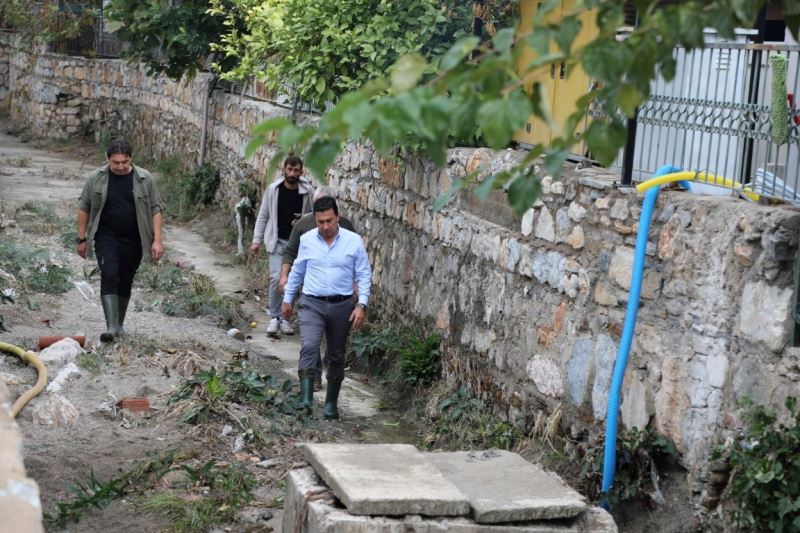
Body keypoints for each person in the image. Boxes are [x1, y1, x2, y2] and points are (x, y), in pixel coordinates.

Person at [282, 197, 371, 420]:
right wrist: (288, 299)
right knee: (309, 345)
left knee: (336, 353)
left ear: (337, 217)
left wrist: (361, 305)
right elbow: (298, 271)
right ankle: (306, 399)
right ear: (315, 220)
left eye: (329, 221)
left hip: (342, 305)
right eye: (320, 222)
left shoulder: (353, 241)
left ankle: (331, 404)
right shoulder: (307, 240)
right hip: (312, 302)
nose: (325, 226)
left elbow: (363, 274)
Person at [76, 139, 164, 342]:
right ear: (107, 159)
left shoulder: (145, 179)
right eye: (116, 162)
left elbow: (156, 209)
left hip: (135, 238)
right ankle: (111, 327)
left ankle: (119, 325)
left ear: (131, 158)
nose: (121, 166)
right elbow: (84, 207)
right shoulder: (96, 179)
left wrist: (157, 240)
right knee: (109, 274)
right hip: (106, 236)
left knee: (125, 278)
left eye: (125, 162)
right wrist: (81, 238)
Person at [278, 186, 356, 391]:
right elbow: (290, 252)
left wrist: (355, 286)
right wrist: (285, 277)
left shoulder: (346, 227)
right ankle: (312, 378)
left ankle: (330, 371)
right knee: (311, 341)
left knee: (334, 345)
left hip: (339, 296)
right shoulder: (303, 225)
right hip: (311, 292)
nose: (324, 223)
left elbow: (355, 258)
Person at [250, 155, 314, 337]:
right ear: (284, 170)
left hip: (298, 244)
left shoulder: (307, 192)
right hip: (277, 241)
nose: (292, 174)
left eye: (296, 170)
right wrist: (256, 240)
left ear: (301, 172)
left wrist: (302, 219)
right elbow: (263, 216)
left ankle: (285, 318)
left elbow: (313, 216)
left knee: (292, 281)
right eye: (289, 169)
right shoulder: (273, 190)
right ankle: (274, 317)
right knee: (276, 278)